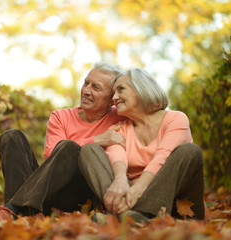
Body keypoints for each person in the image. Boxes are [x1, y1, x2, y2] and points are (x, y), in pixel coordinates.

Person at [0, 62, 126, 221]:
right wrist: (96, 140)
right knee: (11, 137)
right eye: (86, 83)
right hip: (46, 191)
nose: (86, 90)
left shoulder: (121, 116)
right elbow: (52, 154)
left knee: (69, 146)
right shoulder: (61, 116)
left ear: (111, 100)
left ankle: (13, 209)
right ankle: (24, 211)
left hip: (77, 197)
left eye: (96, 87)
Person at [78, 68, 205, 223]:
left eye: (121, 90)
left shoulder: (176, 119)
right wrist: (120, 180)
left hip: (176, 203)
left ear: (141, 89)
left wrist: (135, 194)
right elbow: (117, 155)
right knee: (89, 150)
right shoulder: (120, 128)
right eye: (113, 93)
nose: (114, 98)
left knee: (190, 151)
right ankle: (134, 218)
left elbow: (162, 157)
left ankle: (133, 215)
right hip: (130, 199)